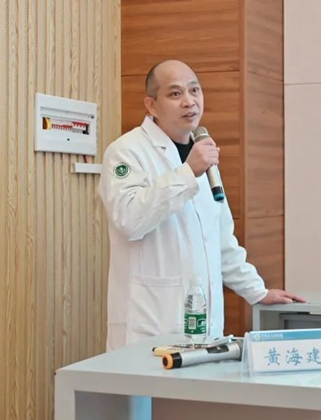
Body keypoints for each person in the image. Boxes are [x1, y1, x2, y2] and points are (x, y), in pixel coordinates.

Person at [98, 59, 305, 351]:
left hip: (205, 330)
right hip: (148, 327)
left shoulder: (201, 154)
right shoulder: (126, 152)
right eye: (175, 93)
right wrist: (188, 173)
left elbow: (220, 240)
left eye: (194, 90)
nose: (189, 101)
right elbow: (129, 220)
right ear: (151, 105)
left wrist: (257, 291)